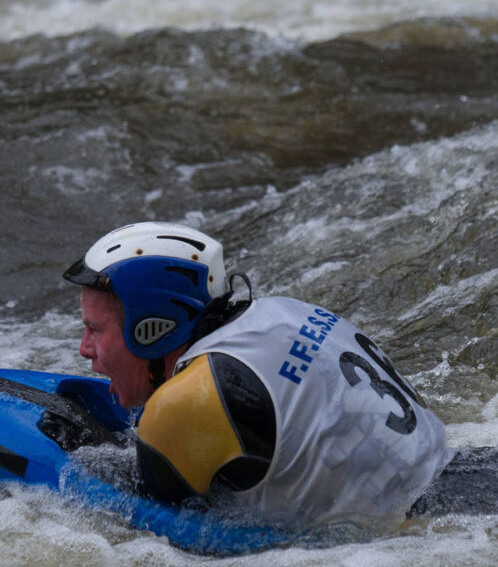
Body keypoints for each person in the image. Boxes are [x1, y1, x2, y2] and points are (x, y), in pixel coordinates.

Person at [63, 221, 454, 535]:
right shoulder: (281, 312)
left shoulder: (187, 402)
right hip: (469, 479)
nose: (84, 349)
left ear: (151, 327)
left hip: (438, 535)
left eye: (95, 329)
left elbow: (150, 527)